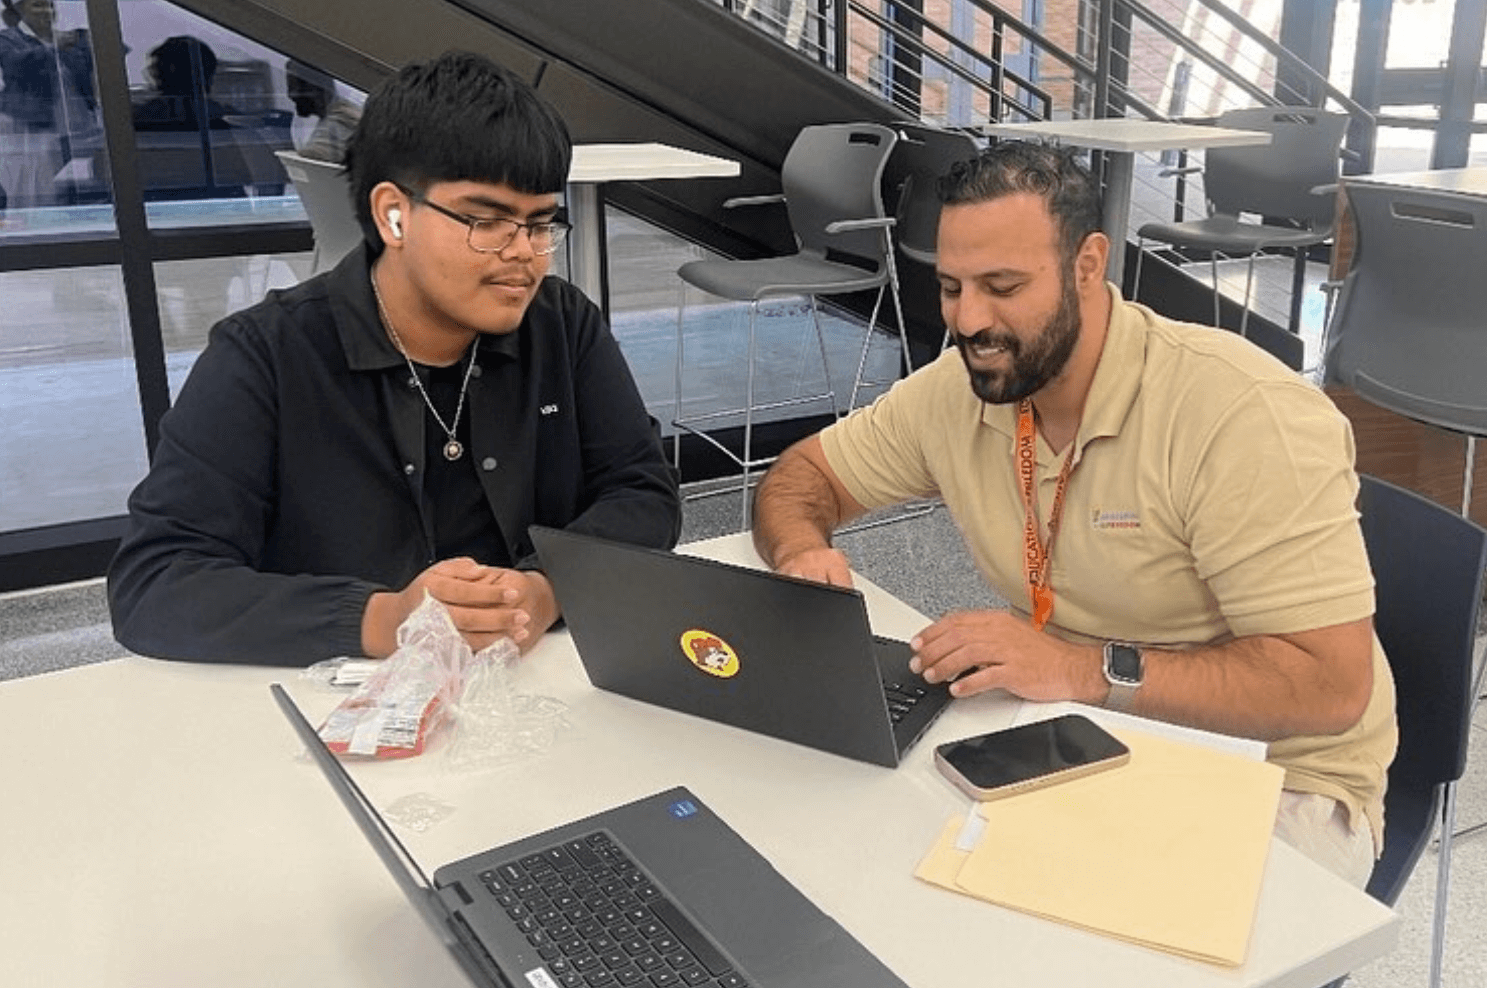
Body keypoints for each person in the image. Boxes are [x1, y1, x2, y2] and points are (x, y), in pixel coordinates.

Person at [753, 140, 1395, 888]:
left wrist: (1077, 667)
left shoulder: (1241, 413)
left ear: (1088, 265)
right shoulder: (963, 385)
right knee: (862, 864)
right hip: (1079, 726)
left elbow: (1327, 687)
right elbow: (803, 475)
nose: (969, 321)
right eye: (952, 285)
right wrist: (801, 551)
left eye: (1002, 285)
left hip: (1281, 775)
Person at [107, 50, 681, 666]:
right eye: (488, 221)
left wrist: (545, 588)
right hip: (333, 712)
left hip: (537, 689)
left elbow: (644, 493)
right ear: (393, 213)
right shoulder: (267, 355)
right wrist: (386, 618)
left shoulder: (561, 325)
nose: (527, 255)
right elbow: (155, 582)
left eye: (541, 224)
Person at [0, 0, 100, 208]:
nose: (47, 11)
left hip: (78, 130)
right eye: (37, 5)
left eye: (50, 5)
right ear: (18, 9)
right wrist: (53, 48)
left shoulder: (70, 39)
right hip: (37, 129)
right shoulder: (8, 40)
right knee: (38, 185)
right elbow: (16, 65)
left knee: (80, 186)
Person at [285, 57, 362, 164]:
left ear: (316, 88)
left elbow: (313, 159)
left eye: (296, 87)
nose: (290, 94)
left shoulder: (344, 119)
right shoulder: (303, 124)